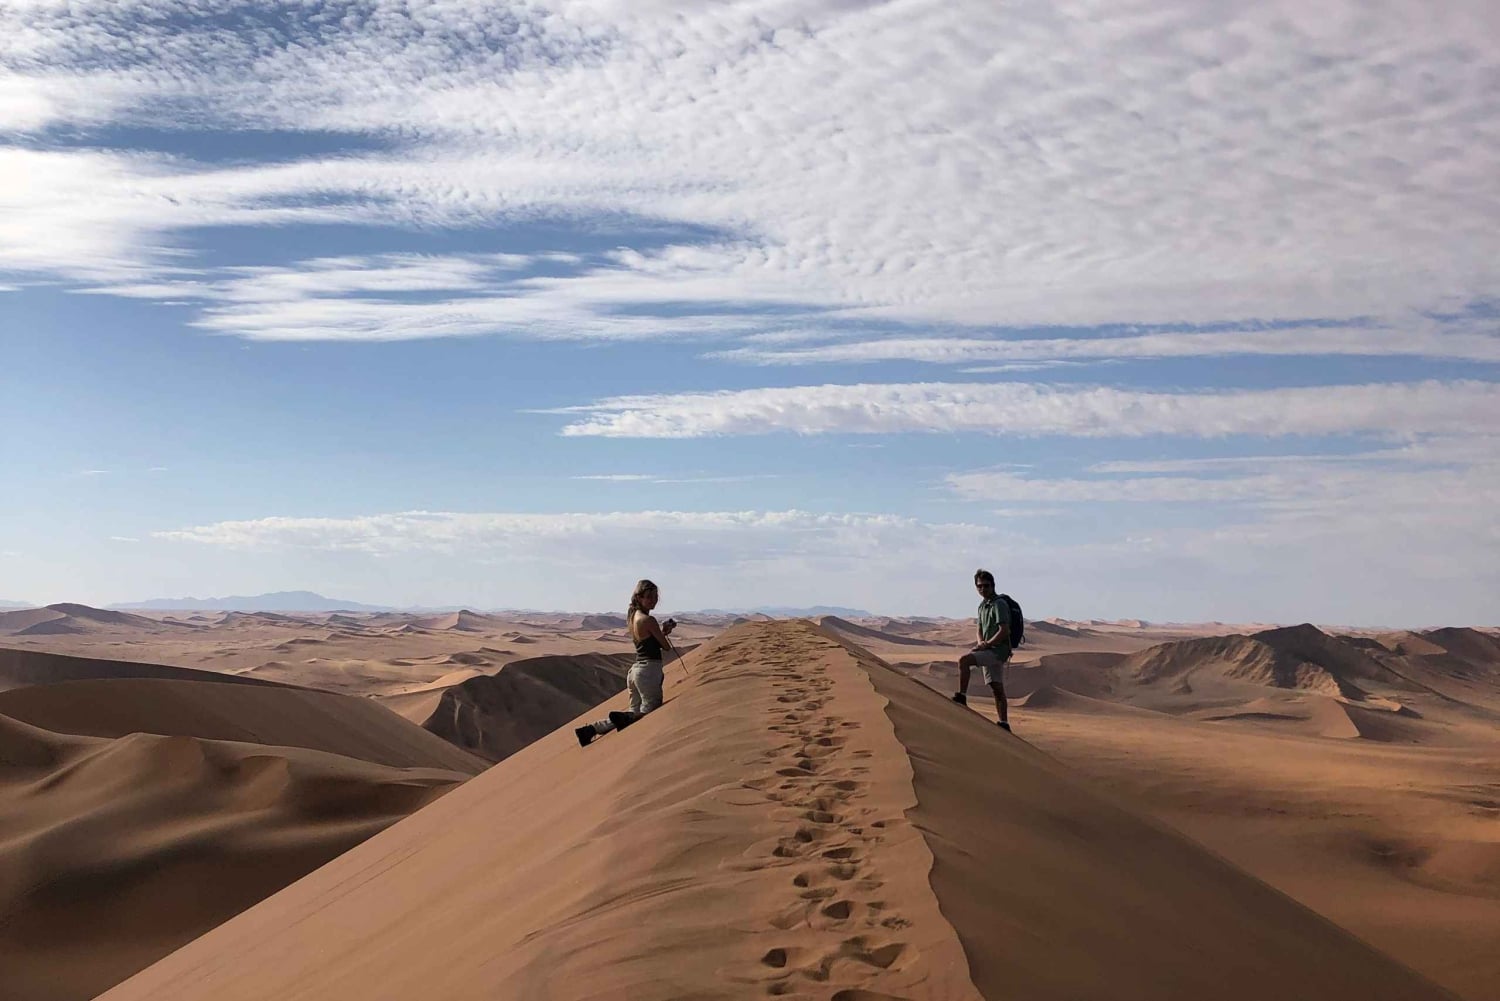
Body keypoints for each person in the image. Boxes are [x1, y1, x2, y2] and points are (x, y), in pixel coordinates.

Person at [576, 578, 676, 747]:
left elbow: (650, 642)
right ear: (639, 597)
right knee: (649, 710)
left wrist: (661, 633)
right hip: (649, 671)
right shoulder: (648, 620)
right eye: (649, 596)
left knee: (633, 712)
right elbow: (665, 647)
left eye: (655, 596)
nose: (653, 600)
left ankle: (591, 729)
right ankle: (624, 718)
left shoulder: (633, 617)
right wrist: (666, 631)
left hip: (635, 672)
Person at [953, 569, 1011, 731]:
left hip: (998, 650)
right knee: (996, 686)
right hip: (988, 649)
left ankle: (962, 696)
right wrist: (980, 643)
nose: (983, 589)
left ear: (993, 585)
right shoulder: (982, 606)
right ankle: (1004, 723)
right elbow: (979, 628)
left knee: (964, 661)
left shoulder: (998, 604)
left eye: (986, 586)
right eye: (979, 586)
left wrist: (987, 644)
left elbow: (1004, 630)